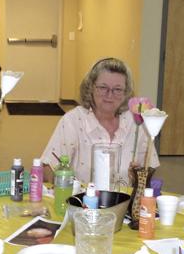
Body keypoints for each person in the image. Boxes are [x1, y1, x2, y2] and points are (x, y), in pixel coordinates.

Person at [41, 57, 159, 185]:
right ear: (91, 87)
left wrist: (138, 177)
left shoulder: (136, 123)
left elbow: (150, 168)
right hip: (82, 201)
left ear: (126, 93)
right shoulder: (73, 120)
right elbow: (49, 167)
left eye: (117, 89)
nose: (109, 95)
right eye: (103, 87)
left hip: (125, 201)